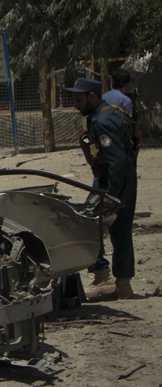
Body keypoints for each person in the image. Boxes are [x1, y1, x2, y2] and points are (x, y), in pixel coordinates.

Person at [69, 78, 137, 301]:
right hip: (126, 177)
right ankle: (124, 285)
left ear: (92, 96)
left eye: (79, 100)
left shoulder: (102, 121)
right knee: (121, 229)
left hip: (111, 180)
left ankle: (101, 278)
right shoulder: (113, 113)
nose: (76, 105)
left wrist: (110, 194)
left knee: (88, 225)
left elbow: (115, 160)